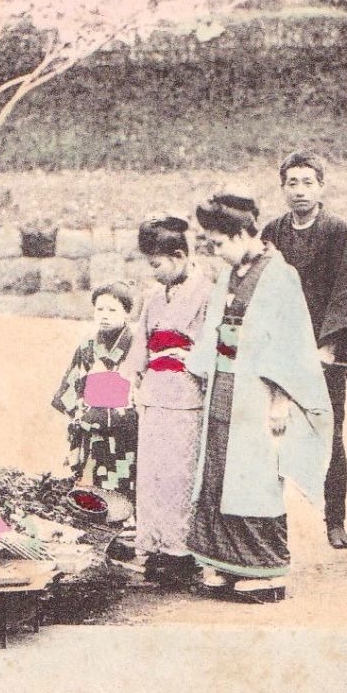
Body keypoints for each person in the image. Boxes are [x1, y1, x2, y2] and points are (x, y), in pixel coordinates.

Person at [184, 193, 334, 603]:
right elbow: (215, 327)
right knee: (217, 473)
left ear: (239, 233)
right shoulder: (230, 274)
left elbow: (293, 345)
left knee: (254, 479)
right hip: (224, 385)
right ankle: (222, 563)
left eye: (217, 243)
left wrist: (282, 401)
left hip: (259, 391)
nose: (214, 252)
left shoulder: (280, 275)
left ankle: (264, 571)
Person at [261, 150, 347, 550]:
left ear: (321, 186)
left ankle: (335, 519)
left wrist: (328, 346)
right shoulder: (273, 232)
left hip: (325, 346)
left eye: (308, 182)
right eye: (292, 182)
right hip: (280, 347)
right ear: (282, 188)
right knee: (264, 433)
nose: (300, 191)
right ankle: (266, 523)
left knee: (329, 430)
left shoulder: (339, 231)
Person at [119, 216, 215, 585]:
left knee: (180, 475)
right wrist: (133, 379)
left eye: (157, 264)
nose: (153, 272)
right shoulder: (155, 297)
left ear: (178, 256)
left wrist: (185, 358)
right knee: (153, 474)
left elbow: (209, 346)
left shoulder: (208, 293)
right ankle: (155, 548)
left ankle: (181, 553)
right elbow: (140, 346)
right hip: (155, 393)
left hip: (188, 392)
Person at [50, 282, 141, 506]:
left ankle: (126, 518)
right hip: (93, 424)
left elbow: (142, 384)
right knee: (93, 481)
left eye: (112, 310)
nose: (104, 316)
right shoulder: (87, 346)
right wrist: (81, 416)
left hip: (128, 426)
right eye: (100, 309)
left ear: (127, 313)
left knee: (127, 477)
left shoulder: (137, 345)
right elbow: (74, 387)